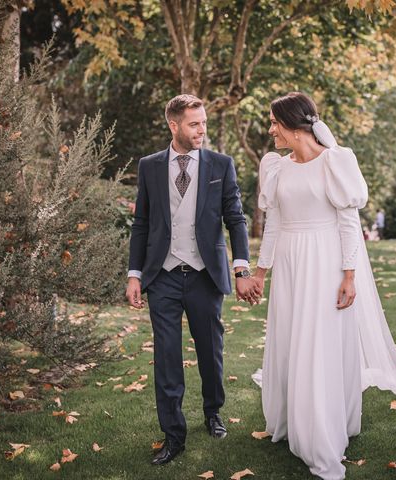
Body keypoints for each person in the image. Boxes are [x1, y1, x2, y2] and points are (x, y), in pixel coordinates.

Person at [251, 92, 396, 480]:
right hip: (288, 263)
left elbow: (349, 223)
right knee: (290, 340)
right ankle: (290, 419)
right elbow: (273, 224)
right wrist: (260, 272)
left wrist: (350, 274)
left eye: (273, 122)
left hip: (324, 262)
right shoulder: (275, 167)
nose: (270, 129)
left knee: (318, 343)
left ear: (293, 123)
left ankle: (320, 434)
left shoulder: (336, 161)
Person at [126, 94, 261, 466]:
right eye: (194, 124)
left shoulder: (221, 164)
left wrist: (241, 267)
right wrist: (134, 274)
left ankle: (213, 411)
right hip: (163, 275)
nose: (202, 130)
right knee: (167, 357)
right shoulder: (150, 166)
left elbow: (235, 219)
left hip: (205, 275)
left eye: (203, 122)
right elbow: (142, 224)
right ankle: (173, 435)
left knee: (210, 352)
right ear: (174, 125)